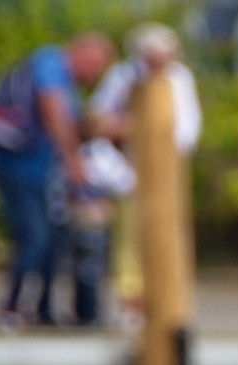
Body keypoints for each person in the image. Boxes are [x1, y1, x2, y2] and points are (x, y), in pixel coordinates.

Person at [0, 33, 116, 328]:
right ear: (82, 53)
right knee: (36, 237)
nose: (94, 75)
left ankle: (43, 311)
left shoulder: (70, 84)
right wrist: (74, 165)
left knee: (55, 240)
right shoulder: (50, 63)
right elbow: (53, 114)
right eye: (94, 66)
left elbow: (79, 125)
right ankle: (12, 307)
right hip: (16, 167)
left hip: (43, 173)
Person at [90, 22, 202, 328]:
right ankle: (131, 305)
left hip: (167, 173)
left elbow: (188, 127)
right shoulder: (124, 76)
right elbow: (99, 116)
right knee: (131, 241)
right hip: (130, 170)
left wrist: (163, 146)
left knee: (168, 236)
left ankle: (168, 301)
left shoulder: (180, 78)